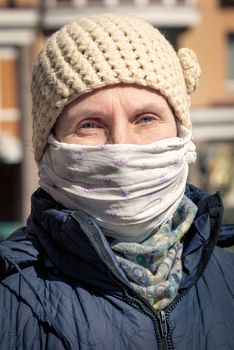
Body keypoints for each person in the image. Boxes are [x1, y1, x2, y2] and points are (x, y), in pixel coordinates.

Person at [0, 13, 234, 350]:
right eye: (89, 124)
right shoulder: (12, 296)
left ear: (182, 132)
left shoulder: (228, 281)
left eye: (146, 118)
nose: (121, 144)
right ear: (48, 148)